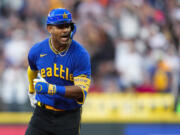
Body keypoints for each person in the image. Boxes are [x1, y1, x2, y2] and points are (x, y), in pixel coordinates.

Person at [25, 8, 91, 135]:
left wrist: (51, 89)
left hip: (68, 117)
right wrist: (31, 90)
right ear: (49, 28)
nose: (66, 30)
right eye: (61, 26)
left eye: (68, 26)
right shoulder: (37, 50)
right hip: (42, 115)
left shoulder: (80, 54)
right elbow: (31, 69)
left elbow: (80, 91)